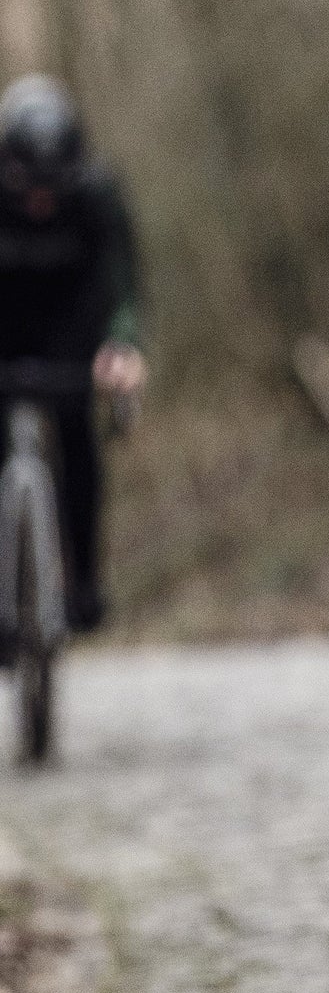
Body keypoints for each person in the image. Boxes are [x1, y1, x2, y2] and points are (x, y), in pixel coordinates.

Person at [0, 74, 146, 636]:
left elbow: (123, 283)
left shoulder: (98, 196)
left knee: (78, 440)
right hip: (6, 330)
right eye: (28, 188)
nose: (40, 201)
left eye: (52, 188)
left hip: (71, 336)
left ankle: (83, 582)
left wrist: (124, 346)